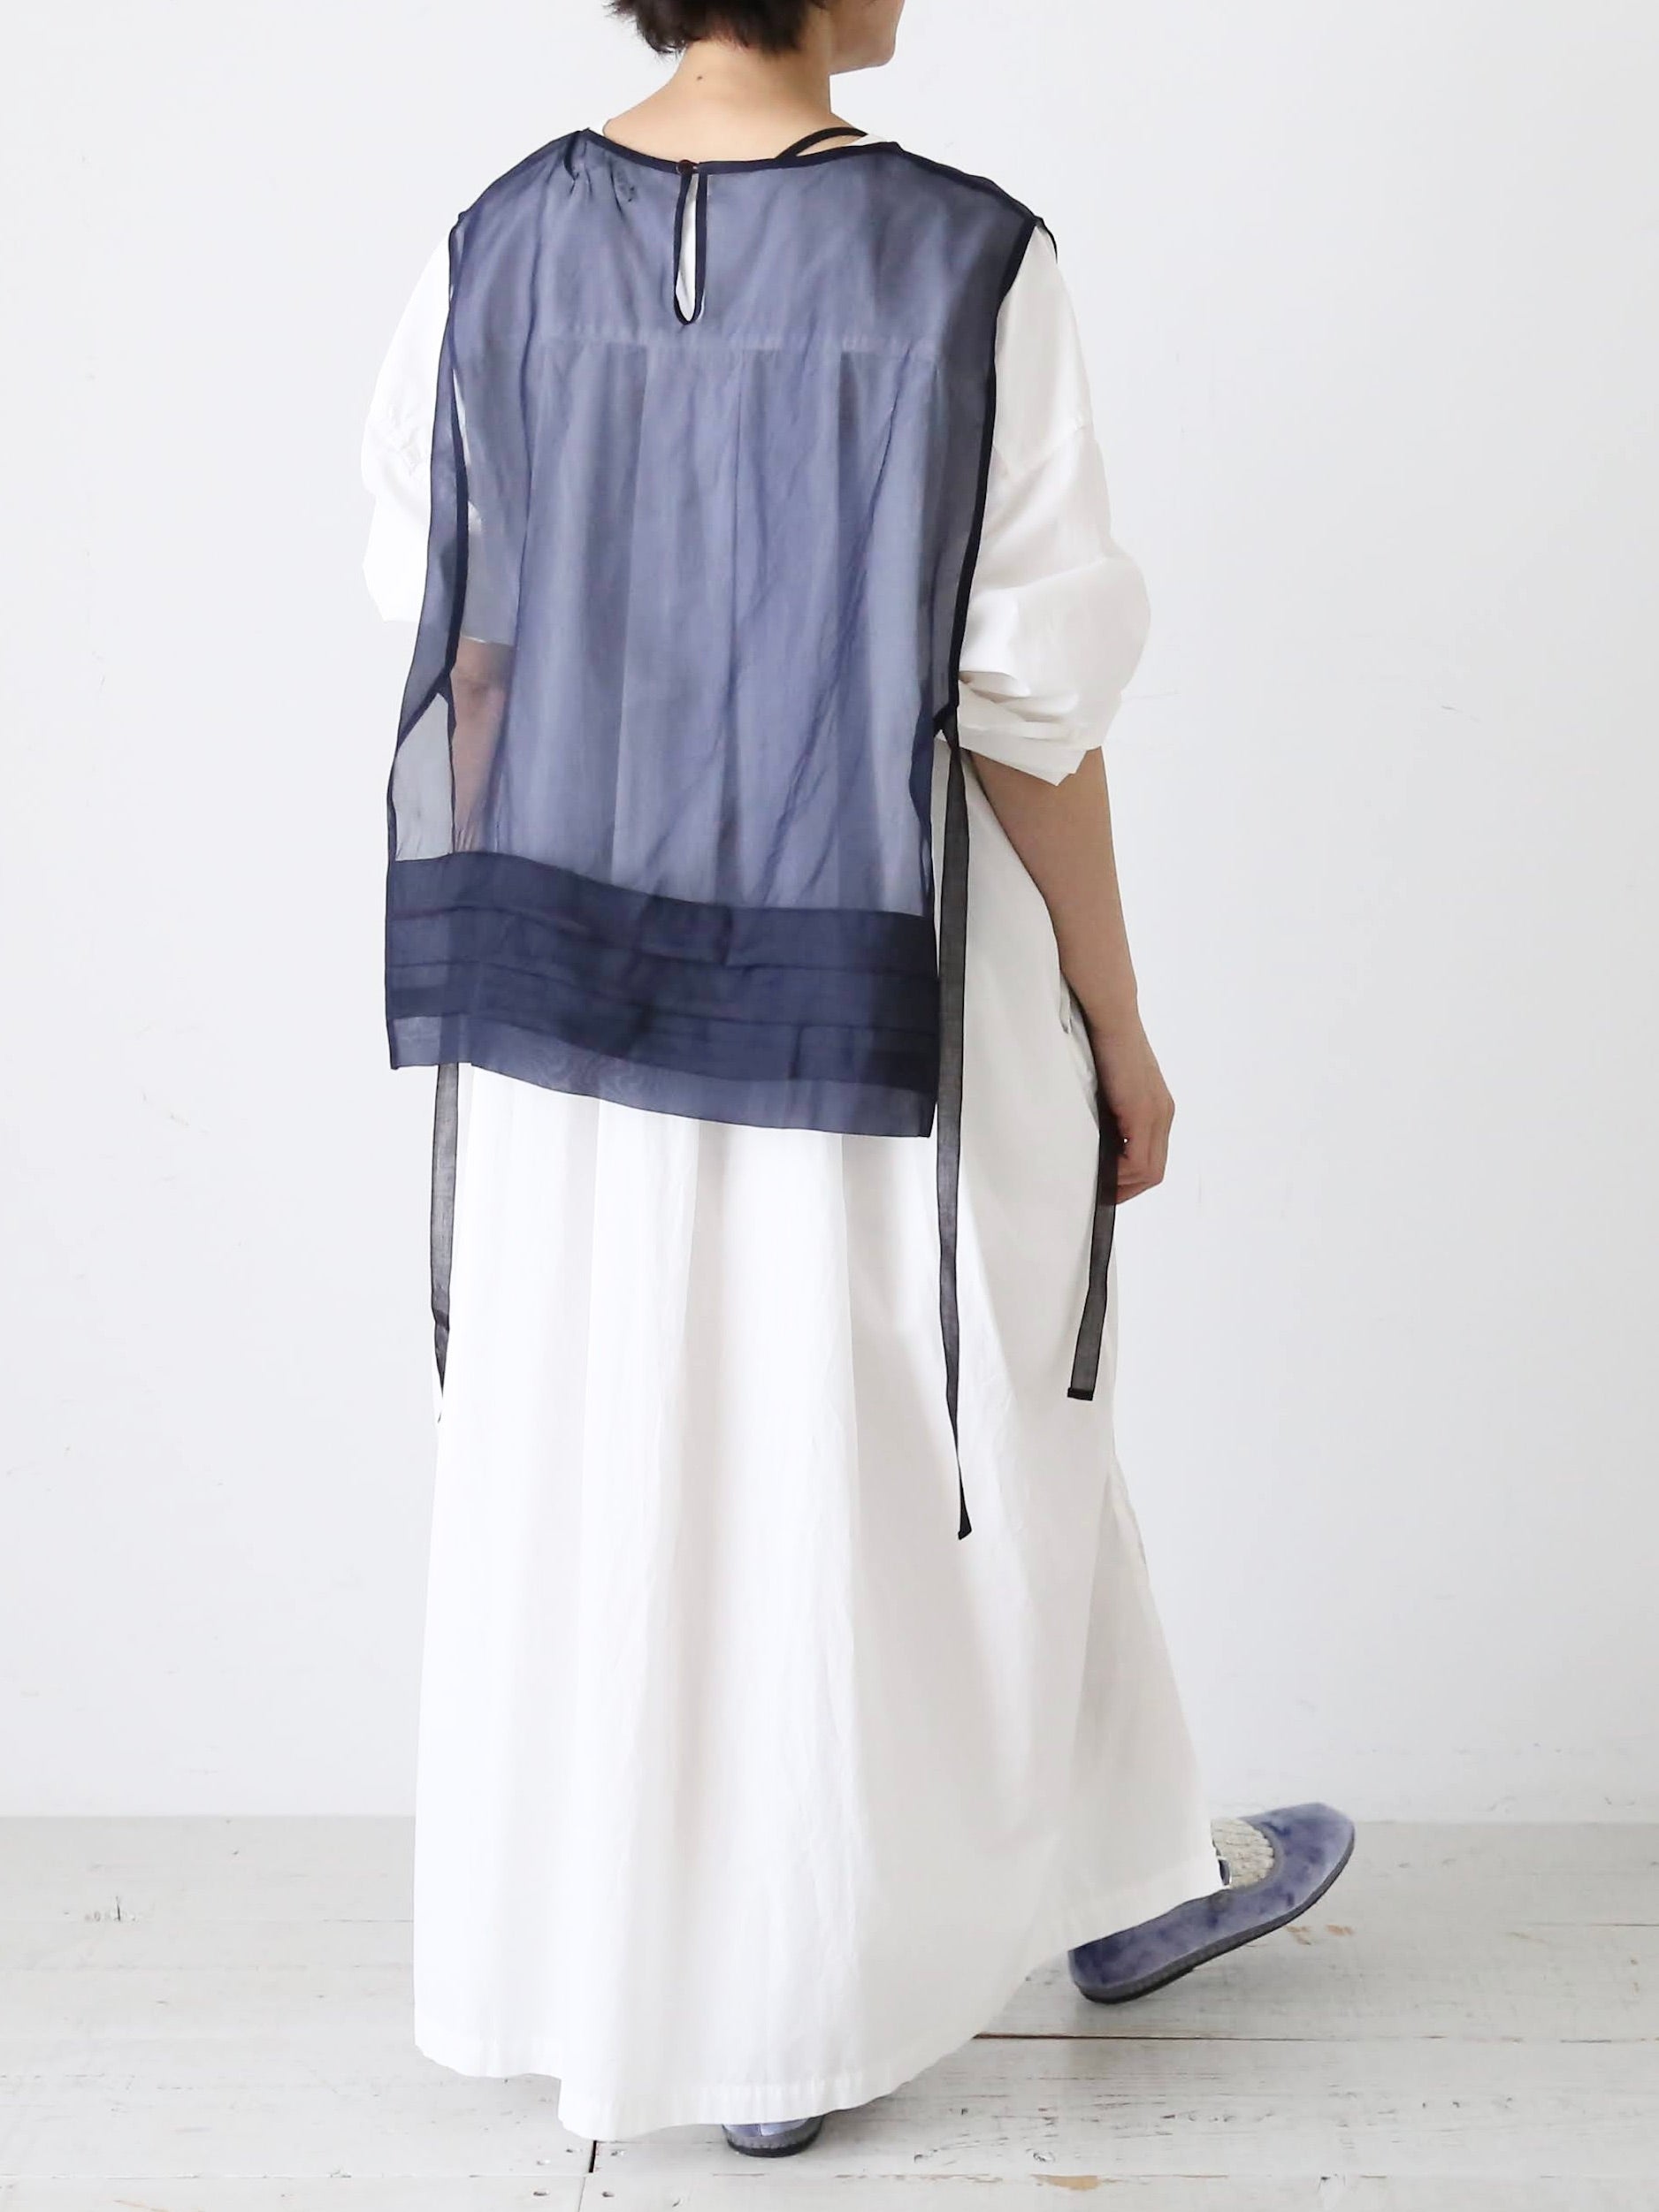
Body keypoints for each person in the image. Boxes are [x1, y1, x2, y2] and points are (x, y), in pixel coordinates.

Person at [360, 0, 1353, 2158]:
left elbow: (455, 638)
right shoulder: (969, 262)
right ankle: (786, 2014)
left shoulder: (490, 244)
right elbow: (1027, 708)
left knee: (662, 1455)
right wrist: (1114, 1016)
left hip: (573, 978)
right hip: (885, 952)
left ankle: (1108, 1870)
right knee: (932, 1442)